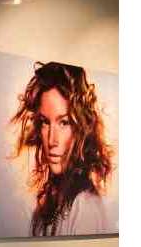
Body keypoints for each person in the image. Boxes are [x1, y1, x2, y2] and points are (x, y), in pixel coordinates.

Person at [10, 61, 114, 236]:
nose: (52, 140)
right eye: (45, 122)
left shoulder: (84, 206)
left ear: (81, 129)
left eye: (64, 122)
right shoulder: (49, 202)